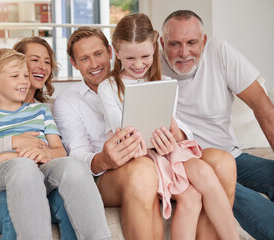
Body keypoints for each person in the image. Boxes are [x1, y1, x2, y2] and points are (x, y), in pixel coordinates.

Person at [98, 13, 239, 239]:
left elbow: (174, 123)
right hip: (139, 157)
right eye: (130, 58)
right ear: (116, 52)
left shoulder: (164, 83)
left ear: (154, 48)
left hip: (167, 151)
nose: (138, 65)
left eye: (145, 56)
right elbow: (122, 130)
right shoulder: (109, 87)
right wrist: (155, 139)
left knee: (202, 177)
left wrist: (175, 135)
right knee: (191, 195)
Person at [0, 48, 111, 240]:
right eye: (15, 76)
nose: (24, 81)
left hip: (39, 183)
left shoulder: (40, 112)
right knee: (23, 167)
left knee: (72, 166)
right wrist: (13, 155)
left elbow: (59, 151)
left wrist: (46, 154)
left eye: (25, 75)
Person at [160, 9, 274, 239]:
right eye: (174, 44)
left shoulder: (220, 51)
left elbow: (262, 106)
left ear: (204, 41)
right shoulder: (147, 62)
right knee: (253, 207)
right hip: (191, 164)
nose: (184, 53)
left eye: (192, 42)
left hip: (233, 157)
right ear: (162, 43)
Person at [53, 26, 163, 239]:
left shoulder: (138, 80)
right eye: (84, 59)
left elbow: (176, 122)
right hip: (101, 179)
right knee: (141, 169)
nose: (94, 64)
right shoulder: (67, 101)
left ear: (111, 52)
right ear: (74, 64)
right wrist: (103, 160)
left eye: (98, 54)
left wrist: (176, 135)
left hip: (148, 163)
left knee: (146, 168)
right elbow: (75, 155)